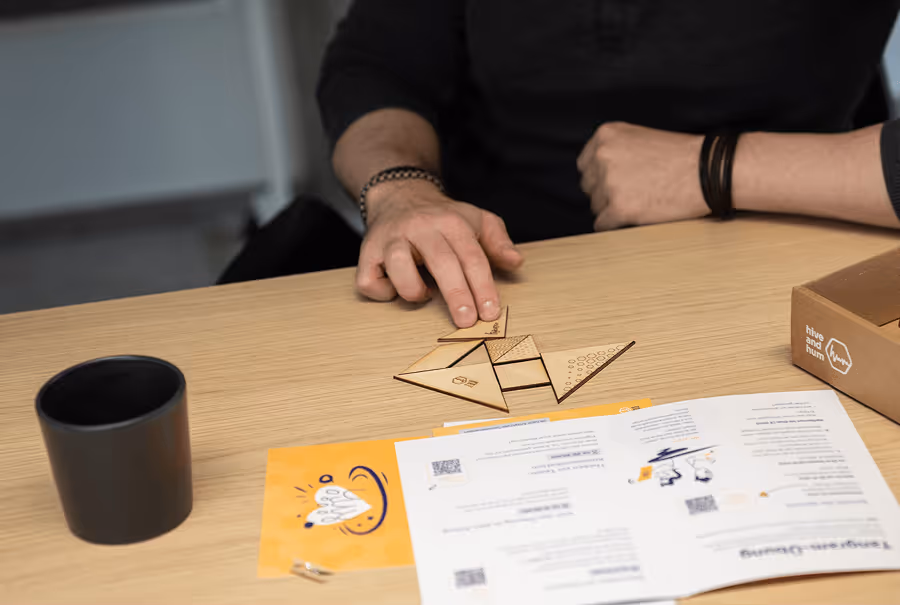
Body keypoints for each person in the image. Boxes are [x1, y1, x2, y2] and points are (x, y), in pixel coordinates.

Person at [317, 0, 900, 328]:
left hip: (792, 266)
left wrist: (715, 168)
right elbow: (375, 64)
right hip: (499, 273)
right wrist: (402, 192)